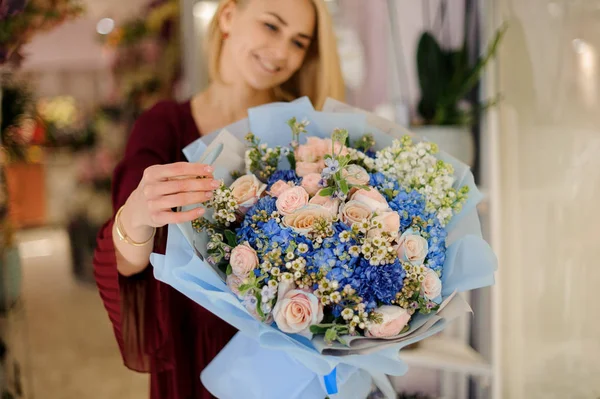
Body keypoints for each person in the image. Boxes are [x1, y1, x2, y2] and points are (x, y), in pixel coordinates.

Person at [93, 0, 345, 398]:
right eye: (271, 26)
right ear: (227, 16)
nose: (281, 53)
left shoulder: (308, 137)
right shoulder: (163, 126)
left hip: (289, 365)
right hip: (196, 351)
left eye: (299, 42)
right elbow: (127, 262)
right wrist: (139, 214)